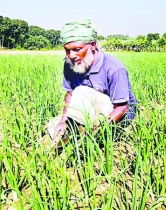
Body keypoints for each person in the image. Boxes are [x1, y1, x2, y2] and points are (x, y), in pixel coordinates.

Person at [41, 19, 136, 149]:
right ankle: (58, 146)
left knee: (80, 91)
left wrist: (99, 130)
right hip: (90, 108)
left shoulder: (114, 67)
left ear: (92, 45)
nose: (71, 55)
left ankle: (84, 133)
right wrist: (63, 121)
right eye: (67, 50)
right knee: (53, 126)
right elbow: (69, 95)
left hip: (116, 112)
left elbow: (122, 107)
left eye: (77, 49)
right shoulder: (70, 64)